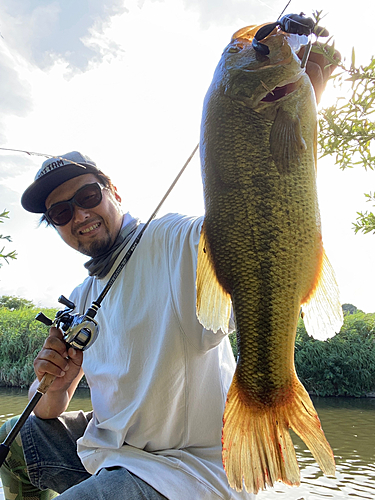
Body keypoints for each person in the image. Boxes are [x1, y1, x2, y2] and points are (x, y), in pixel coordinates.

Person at [0, 45, 336, 500]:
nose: (79, 215)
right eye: (60, 212)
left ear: (112, 190)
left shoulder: (172, 241)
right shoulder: (82, 296)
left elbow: (247, 225)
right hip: (114, 452)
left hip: (187, 469)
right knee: (15, 434)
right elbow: (52, 410)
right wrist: (56, 391)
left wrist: (289, 119)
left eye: (86, 196)